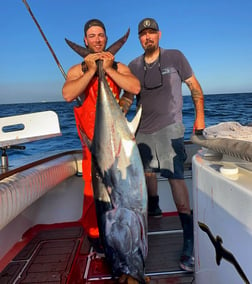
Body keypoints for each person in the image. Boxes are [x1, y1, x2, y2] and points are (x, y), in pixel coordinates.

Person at [120, 18, 205, 272]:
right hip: (142, 130)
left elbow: (194, 87)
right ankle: (154, 207)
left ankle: (188, 241)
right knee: (145, 176)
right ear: (139, 39)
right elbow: (128, 96)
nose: (148, 37)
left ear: (159, 34)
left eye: (152, 33)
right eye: (143, 34)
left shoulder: (175, 57)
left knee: (177, 179)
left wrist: (199, 117)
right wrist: (117, 114)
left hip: (170, 129)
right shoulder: (134, 65)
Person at [62, 19, 140, 251]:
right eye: (92, 36)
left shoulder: (117, 66)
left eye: (101, 35)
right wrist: (92, 70)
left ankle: (122, 231)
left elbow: (135, 88)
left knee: (121, 189)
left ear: (106, 39)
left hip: (117, 143)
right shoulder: (77, 70)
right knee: (92, 190)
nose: (97, 39)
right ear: (85, 40)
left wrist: (107, 69)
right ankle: (96, 236)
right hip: (92, 143)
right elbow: (68, 94)